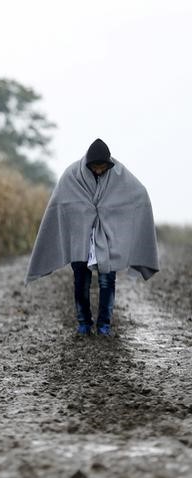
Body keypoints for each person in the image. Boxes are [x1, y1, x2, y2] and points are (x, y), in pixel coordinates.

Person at [25, 138, 159, 336]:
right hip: (80, 239)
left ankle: (104, 325)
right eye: (95, 167)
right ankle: (84, 323)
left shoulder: (119, 175)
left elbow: (138, 194)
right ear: (88, 164)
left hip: (107, 240)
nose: (98, 170)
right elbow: (60, 204)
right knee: (81, 280)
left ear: (108, 164)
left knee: (107, 280)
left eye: (102, 166)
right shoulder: (71, 176)